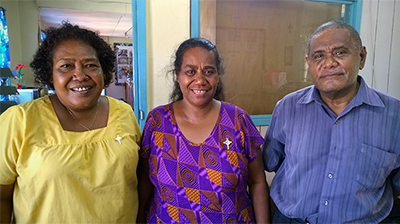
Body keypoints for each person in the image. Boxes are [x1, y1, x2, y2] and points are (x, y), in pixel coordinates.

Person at [0, 22, 141, 223]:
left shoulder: (124, 113)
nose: (80, 76)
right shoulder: (20, 120)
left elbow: (138, 180)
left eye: (90, 65)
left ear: (103, 70)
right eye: (66, 66)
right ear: (50, 74)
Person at [262, 20, 400, 223]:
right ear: (309, 63)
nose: (328, 63)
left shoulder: (394, 116)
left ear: (361, 57)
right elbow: (273, 161)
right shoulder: (288, 107)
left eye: (340, 53)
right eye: (319, 56)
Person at [137, 38, 271, 224]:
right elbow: (144, 182)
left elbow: (257, 182)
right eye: (190, 71)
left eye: (208, 71)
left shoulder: (238, 121)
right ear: (178, 75)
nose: (200, 80)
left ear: (217, 76)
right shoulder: (157, 121)